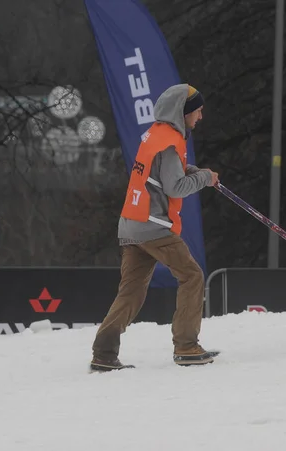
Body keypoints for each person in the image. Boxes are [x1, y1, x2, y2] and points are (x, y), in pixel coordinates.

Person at [90, 84, 218, 372]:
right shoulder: (172, 142)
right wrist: (206, 178)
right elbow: (175, 187)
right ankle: (186, 346)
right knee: (192, 276)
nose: (200, 117)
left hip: (131, 223)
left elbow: (159, 176)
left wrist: (193, 171)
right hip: (154, 226)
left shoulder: (154, 134)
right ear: (182, 112)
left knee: (131, 291)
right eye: (197, 111)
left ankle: (104, 352)